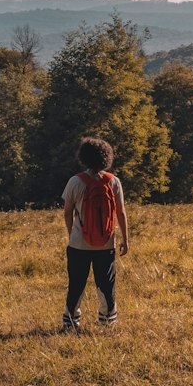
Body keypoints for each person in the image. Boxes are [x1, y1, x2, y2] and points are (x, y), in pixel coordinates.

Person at [60, 136, 128, 332]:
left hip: (78, 244)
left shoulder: (75, 182)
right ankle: (107, 320)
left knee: (77, 282)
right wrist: (125, 239)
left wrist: (72, 233)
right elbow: (120, 212)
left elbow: (67, 211)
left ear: (84, 157)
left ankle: (71, 321)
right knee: (106, 283)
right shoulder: (113, 182)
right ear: (106, 158)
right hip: (106, 243)